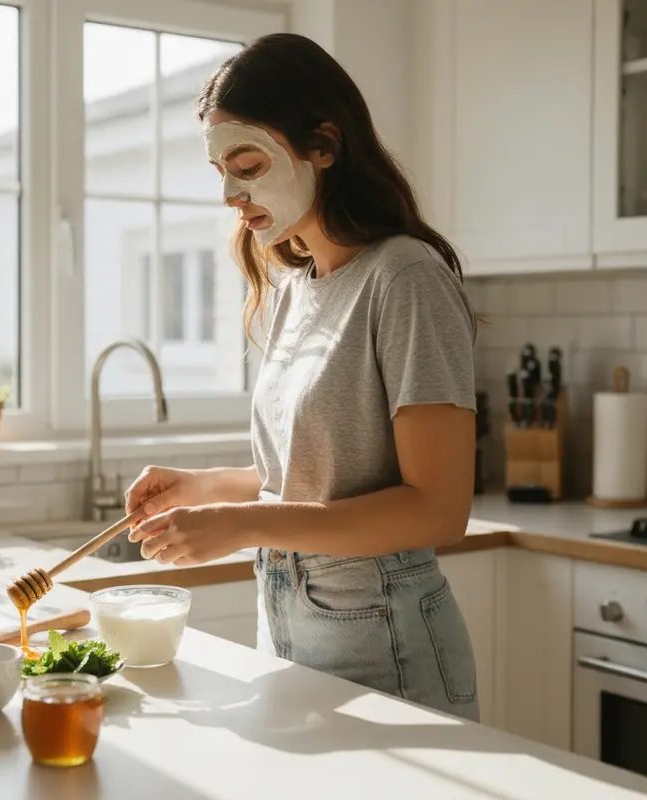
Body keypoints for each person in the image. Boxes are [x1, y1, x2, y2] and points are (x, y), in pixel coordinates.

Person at [125, 32, 480, 722]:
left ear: (323, 144)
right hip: (289, 629)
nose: (230, 193)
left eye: (249, 164)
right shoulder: (294, 286)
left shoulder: (405, 278)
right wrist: (205, 490)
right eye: (220, 171)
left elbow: (438, 509)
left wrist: (243, 523)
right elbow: (319, 478)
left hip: (389, 645)